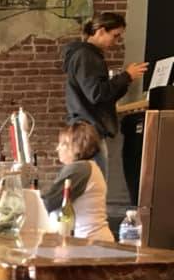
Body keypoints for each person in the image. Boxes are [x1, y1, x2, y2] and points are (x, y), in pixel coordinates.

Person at [63, 12, 148, 178]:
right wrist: (126, 76)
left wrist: (126, 79)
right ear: (101, 31)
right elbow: (96, 94)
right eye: (115, 36)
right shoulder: (86, 56)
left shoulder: (86, 55)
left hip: (86, 130)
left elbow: (103, 96)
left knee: (92, 184)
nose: (116, 42)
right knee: (96, 186)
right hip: (89, 132)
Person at [41, 122, 113, 242]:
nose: (57, 148)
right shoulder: (90, 166)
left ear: (76, 147)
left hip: (89, 242)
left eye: (62, 144)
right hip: (95, 240)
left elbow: (48, 202)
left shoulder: (79, 169)